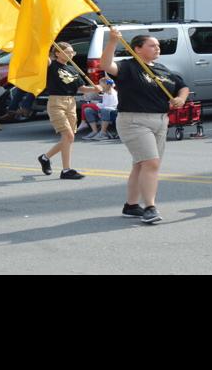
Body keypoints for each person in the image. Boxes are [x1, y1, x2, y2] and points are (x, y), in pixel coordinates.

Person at [103, 29, 191, 225]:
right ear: (137, 49)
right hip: (134, 121)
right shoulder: (128, 67)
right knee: (151, 164)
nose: (157, 48)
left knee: (141, 164)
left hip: (160, 121)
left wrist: (180, 99)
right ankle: (150, 208)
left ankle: (131, 205)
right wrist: (112, 42)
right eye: (152, 45)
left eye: (158, 46)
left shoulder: (161, 69)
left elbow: (182, 86)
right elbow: (106, 65)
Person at [37, 42, 90, 180]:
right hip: (56, 102)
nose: (70, 54)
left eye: (72, 52)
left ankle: (44, 157)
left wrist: (96, 88)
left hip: (71, 102)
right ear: (57, 53)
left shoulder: (73, 69)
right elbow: (43, 56)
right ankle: (66, 170)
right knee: (69, 136)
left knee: (68, 138)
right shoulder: (51, 65)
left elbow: (82, 88)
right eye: (67, 51)